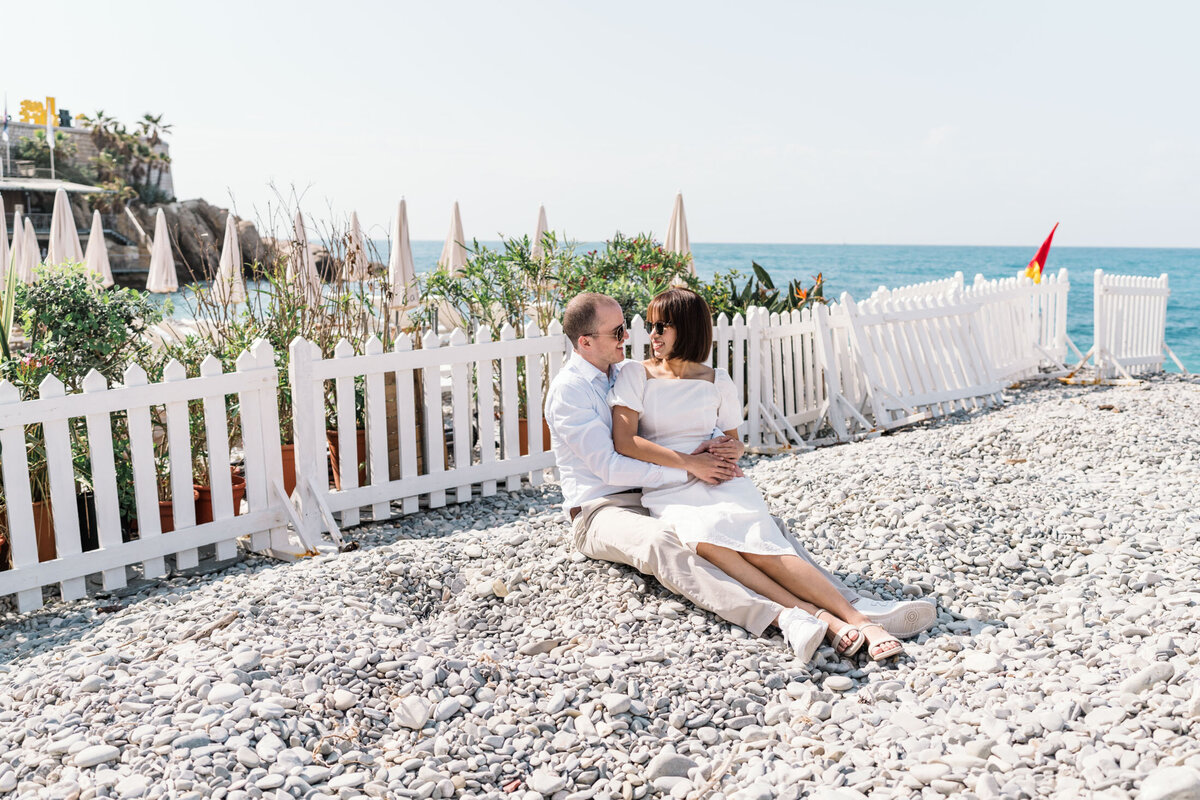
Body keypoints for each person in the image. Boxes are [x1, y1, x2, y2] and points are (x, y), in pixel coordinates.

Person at [544, 291, 935, 661]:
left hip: (654, 487)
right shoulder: (571, 392)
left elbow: (683, 415)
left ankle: (852, 604)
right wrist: (692, 469)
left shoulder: (622, 370)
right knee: (667, 541)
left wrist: (721, 449)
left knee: (757, 527)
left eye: (632, 326)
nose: (632, 336)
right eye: (618, 332)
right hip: (602, 507)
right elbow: (611, 464)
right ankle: (786, 616)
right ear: (585, 342)